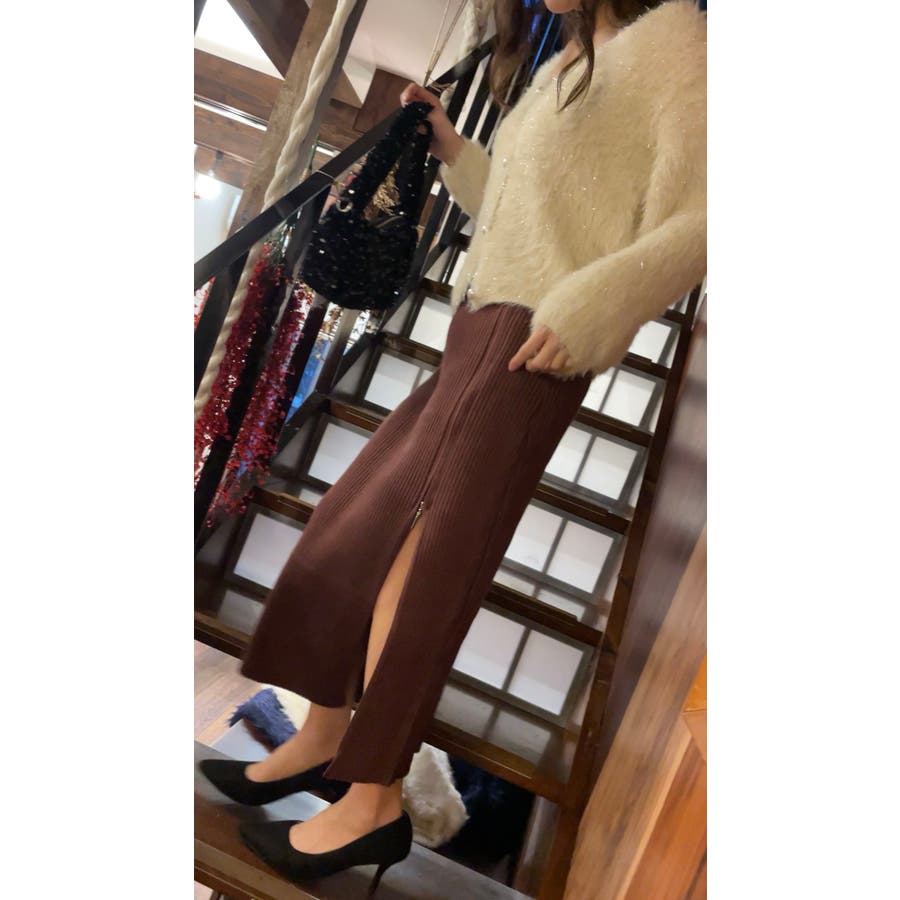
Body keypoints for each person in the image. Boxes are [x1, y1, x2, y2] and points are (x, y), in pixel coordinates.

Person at [199, 0, 707, 892]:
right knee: (354, 531)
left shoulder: (677, 46)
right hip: (484, 325)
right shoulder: (569, 61)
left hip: (537, 340)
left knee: (426, 568)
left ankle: (374, 798)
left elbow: (706, 220)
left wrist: (591, 309)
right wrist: (456, 152)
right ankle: (324, 737)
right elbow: (528, 214)